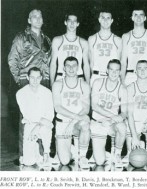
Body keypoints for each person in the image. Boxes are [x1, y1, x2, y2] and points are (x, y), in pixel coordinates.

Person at [8, 9, 52, 164]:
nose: (38, 19)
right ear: (29, 20)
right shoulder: (21, 37)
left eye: (40, 16)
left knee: (43, 117)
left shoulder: (46, 39)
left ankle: (41, 153)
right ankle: (24, 153)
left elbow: (49, 62)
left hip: (43, 80)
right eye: (34, 16)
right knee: (27, 119)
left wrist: (46, 79)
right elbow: (12, 60)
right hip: (27, 80)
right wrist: (20, 80)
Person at [52, 56, 91, 168]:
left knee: (86, 123)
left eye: (74, 65)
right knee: (64, 161)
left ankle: (82, 156)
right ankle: (72, 151)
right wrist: (71, 121)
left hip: (76, 124)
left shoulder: (84, 85)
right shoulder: (57, 84)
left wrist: (72, 122)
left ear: (78, 67)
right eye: (68, 66)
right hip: (62, 123)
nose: (71, 68)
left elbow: (86, 109)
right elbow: (57, 107)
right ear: (63, 68)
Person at [90, 59, 128, 168]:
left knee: (122, 127)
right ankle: (102, 153)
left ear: (120, 72)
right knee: (99, 162)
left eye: (117, 70)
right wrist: (112, 116)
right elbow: (94, 106)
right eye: (111, 70)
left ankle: (117, 155)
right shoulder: (98, 83)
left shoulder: (122, 89)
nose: (114, 73)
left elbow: (124, 113)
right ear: (107, 70)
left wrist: (112, 120)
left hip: (111, 124)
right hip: (98, 123)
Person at [16, 67, 54, 167]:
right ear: (27, 77)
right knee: (28, 162)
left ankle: (46, 153)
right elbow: (28, 115)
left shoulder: (47, 92)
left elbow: (50, 115)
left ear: (41, 78)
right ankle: (36, 150)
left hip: (43, 125)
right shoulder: (20, 93)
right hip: (30, 124)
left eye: (38, 78)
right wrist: (40, 121)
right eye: (32, 77)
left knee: (47, 127)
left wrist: (39, 125)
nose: (35, 81)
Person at [121, 6, 147, 86]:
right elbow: (123, 62)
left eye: (141, 15)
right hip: (131, 75)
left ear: (145, 18)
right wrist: (122, 81)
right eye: (136, 15)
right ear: (132, 18)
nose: (138, 17)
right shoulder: (126, 36)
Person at [50, 12, 90, 85]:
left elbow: (86, 65)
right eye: (69, 21)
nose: (72, 23)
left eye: (74, 21)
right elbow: (53, 64)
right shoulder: (57, 40)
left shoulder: (83, 42)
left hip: (78, 77)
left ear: (78, 24)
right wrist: (52, 84)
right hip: (61, 76)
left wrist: (88, 84)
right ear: (65, 22)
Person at [88, 9, 122, 86]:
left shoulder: (118, 40)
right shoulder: (92, 39)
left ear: (112, 20)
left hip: (113, 77)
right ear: (99, 20)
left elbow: (120, 62)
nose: (105, 20)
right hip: (96, 76)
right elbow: (91, 63)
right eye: (103, 18)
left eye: (108, 18)